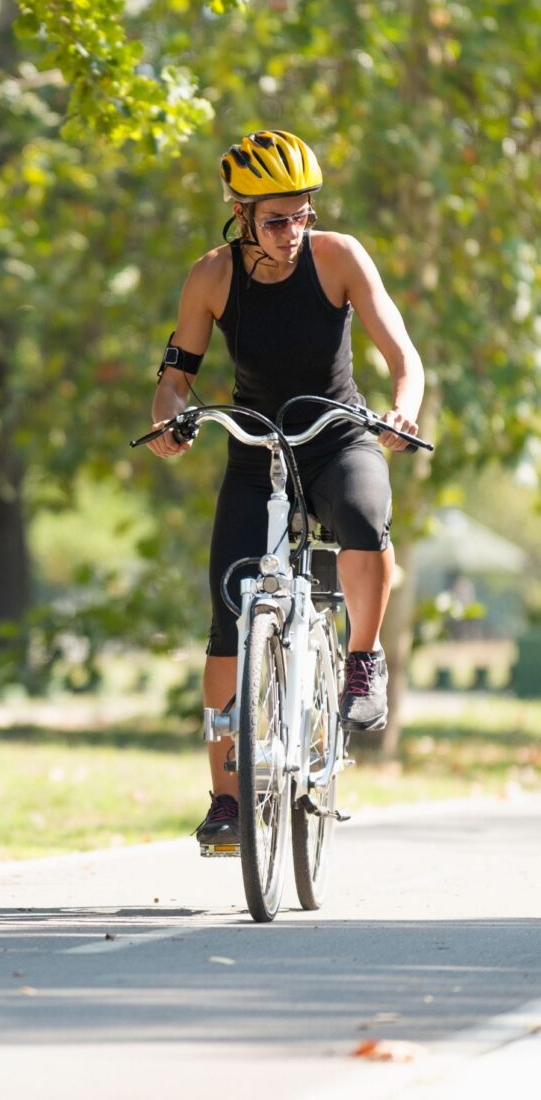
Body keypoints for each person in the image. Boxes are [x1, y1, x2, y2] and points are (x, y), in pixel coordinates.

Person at [148, 130, 424, 848]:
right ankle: (227, 801)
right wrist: (170, 419)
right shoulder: (211, 277)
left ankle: (362, 660)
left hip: (337, 435)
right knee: (228, 614)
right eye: (275, 219)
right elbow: (175, 378)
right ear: (240, 215)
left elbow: (403, 355)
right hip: (256, 449)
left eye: (302, 213)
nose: (291, 230)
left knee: (363, 516)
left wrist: (403, 409)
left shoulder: (339, 257)